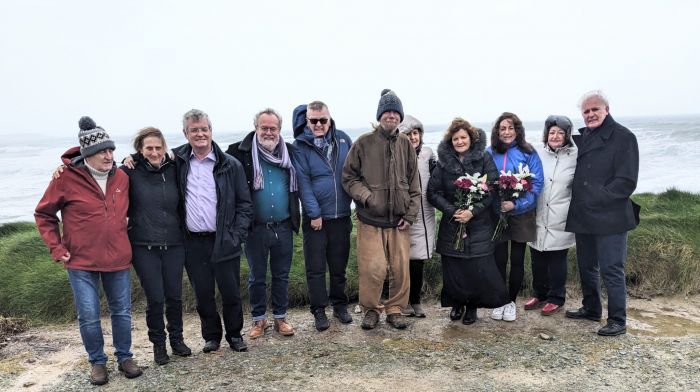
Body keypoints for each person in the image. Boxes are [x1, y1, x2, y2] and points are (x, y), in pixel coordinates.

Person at [35, 116, 142, 385]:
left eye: (110, 149)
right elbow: (44, 214)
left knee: (122, 312)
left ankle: (125, 357)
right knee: (89, 315)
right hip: (80, 260)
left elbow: (152, 159)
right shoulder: (65, 178)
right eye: (101, 151)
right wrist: (57, 248)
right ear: (88, 154)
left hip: (118, 257)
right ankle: (97, 362)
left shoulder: (122, 176)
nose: (108, 155)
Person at [174, 109, 253, 353]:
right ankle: (211, 337)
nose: (200, 134)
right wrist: (128, 159)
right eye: (194, 130)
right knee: (203, 294)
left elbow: (244, 204)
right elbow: (147, 157)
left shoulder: (230, 165)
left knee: (230, 293)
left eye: (204, 129)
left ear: (211, 131)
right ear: (185, 133)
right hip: (193, 242)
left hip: (224, 239)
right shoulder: (176, 162)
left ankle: (235, 335)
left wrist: (236, 235)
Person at [342, 89, 421, 330]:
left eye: (395, 111)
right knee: (372, 269)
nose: (391, 115)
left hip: (399, 222)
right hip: (369, 220)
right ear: (379, 115)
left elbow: (414, 183)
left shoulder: (406, 144)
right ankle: (371, 310)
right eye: (386, 111)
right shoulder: (363, 143)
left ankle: (395, 310)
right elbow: (348, 178)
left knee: (400, 269)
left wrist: (409, 215)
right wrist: (367, 198)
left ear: (400, 116)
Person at [565, 90, 640, 336]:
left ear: (606, 109)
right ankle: (591, 308)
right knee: (587, 266)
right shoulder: (583, 137)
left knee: (612, 269)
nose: (590, 114)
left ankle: (618, 319)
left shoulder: (623, 137)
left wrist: (596, 197)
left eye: (595, 109)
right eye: (586, 111)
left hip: (610, 216)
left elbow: (626, 181)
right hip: (583, 215)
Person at [227, 108, 301, 339]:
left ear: (280, 130)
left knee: (281, 275)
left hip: (284, 225)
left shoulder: (290, 152)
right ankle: (259, 320)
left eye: (273, 128)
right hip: (255, 228)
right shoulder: (239, 152)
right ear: (256, 128)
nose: (269, 132)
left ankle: (280, 318)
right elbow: (206, 156)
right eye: (264, 128)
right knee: (256, 277)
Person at [427, 118, 508, 325]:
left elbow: (491, 188)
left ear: (471, 139)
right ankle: (457, 303)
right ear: (450, 141)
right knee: (454, 268)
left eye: (463, 137)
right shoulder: (444, 162)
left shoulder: (484, 158)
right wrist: (454, 211)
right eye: (456, 138)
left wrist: (472, 211)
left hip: (479, 224)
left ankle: (472, 307)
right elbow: (433, 192)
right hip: (453, 224)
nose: (460, 141)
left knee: (475, 268)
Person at [123, 127, 191, 364]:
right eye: (148, 148)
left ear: (165, 148)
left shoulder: (175, 168)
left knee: (174, 296)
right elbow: (100, 170)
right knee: (156, 298)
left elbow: (192, 152)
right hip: (144, 245)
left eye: (158, 147)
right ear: (140, 151)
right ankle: (158, 345)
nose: (154, 152)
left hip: (174, 242)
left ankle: (177, 340)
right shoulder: (129, 171)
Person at [291, 101, 354, 331]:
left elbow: (355, 173)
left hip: (342, 215)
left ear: (329, 119)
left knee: (339, 267)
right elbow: (303, 183)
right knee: (316, 269)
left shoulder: (344, 139)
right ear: (307, 121)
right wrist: (314, 213)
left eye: (322, 120)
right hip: (316, 219)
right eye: (313, 120)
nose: (318, 124)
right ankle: (319, 310)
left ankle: (340, 306)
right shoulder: (299, 147)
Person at [486, 112, 544, 322]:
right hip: (498, 214)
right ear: (497, 132)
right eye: (503, 128)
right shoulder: (490, 152)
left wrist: (516, 204)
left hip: (521, 214)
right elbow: (484, 179)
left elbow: (537, 184)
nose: (507, 132)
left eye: (511, 128)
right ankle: (500, 300)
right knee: (499, 260)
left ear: (517, 130)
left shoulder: (528, 152)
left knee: (517, 260)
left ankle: (510, 302)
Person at [525, 116, 578, 316]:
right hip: (538, 212)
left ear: (567, 135)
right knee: (537, 256)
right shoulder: (536, 153)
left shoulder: (575, 155)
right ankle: (539, 294)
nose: (555, 136)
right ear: (546, 134)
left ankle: (556, 298)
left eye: (560, 132)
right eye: (552, 132)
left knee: (557, 258)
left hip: (561, 212)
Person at [398, 115, 436, 318]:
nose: (413, 137)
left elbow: (436, 179)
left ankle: (416, 300)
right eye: (408, 133)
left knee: (418, 261)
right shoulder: (397, 155)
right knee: (401, 261)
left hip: (425, 213)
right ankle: (401, 302)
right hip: (405, 214)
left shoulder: (428, 154)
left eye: (416, 133)